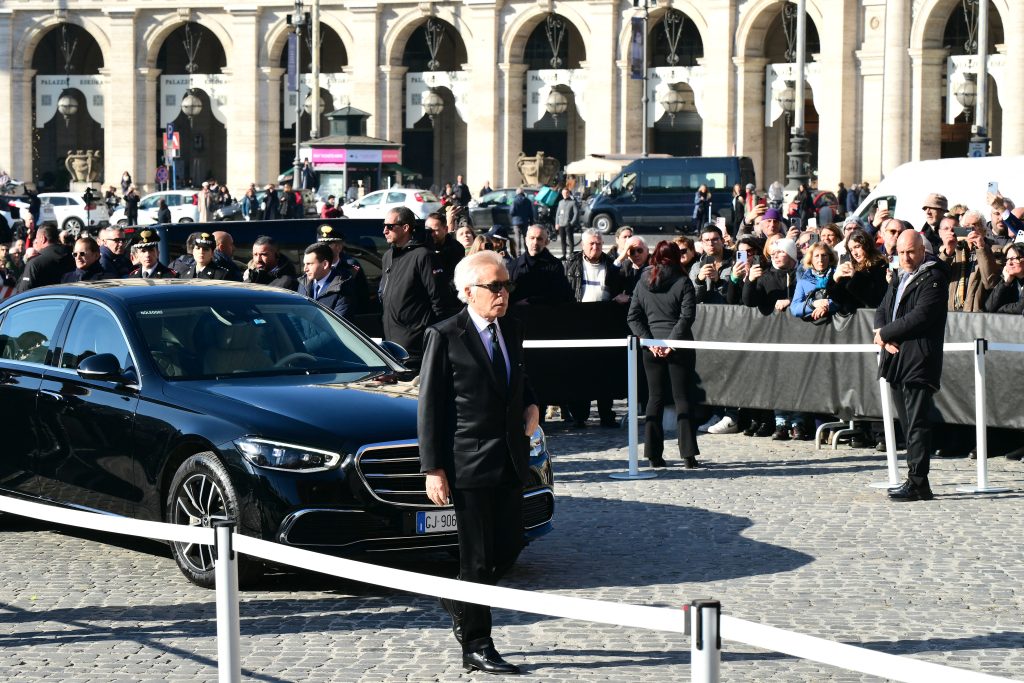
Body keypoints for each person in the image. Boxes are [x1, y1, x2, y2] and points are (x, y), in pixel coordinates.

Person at [418, 249, 538, 676]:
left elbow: (519, 378)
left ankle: (457, 599)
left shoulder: (513, 329)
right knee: (477, 560)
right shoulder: (446, 335)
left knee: (508, 549)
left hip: (509, 459)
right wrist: (433, 467)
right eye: (495, 286)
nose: (503, 293)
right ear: (468, 292)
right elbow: (430, 406)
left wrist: (532, 405)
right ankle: (477, 644)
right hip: (467, 464)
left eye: (506, 285)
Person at [876, 230, 949, 502]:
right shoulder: (899, 276)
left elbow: (922, 316)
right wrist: (881, 332)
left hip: (919, 357)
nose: (906, 257)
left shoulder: (934, 278)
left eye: (911, 252)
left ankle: (918, 482)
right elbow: (884, 307)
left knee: (917, 422)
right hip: (897, 356)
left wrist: (886, 333)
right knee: (907, 423)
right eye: (901, 252)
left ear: (922, 251)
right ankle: (916, 479)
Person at [627, 240, 702, 469]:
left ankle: (652, 454)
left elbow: (633, 317)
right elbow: (687, 316)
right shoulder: (683, 281)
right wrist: (671, 342)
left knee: (655, 398)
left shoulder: (642, 282)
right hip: (678, 347)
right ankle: (688, 455)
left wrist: (651, 342)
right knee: (682, 398)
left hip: (651, 347)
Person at [379, 206, 446, 370]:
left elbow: (440, 300)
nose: (384, 231)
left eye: (389, 226)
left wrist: (426, 334)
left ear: (406, 227)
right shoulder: (388, 256)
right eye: (384, 226)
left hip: (415, 349)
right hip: (390, 347)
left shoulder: (423, 255)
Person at [936, 211, 1001, 312]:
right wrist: (948, 252)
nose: (971, 229)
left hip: (978, 315)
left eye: (975, 225)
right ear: (961, 230)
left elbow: (990, 282)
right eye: (967, 226)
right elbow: (936, 277)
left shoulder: (995, 250)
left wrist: (981, 248)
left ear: (984, 230)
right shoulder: (955, 250)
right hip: (952, 314)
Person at [508, 224, 573, 305]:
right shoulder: (514, 265)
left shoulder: (555, 265)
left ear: (546, 242)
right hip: (519, 315)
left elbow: (560, 295)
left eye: (539, 239)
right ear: (526, 240)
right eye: (532, 238)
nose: (535, 242)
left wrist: (533, 301)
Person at [830, 228, 888, 313]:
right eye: (851, 250)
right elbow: (839, 299)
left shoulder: (881, 266)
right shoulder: (852, 267)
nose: (854, 253)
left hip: (871, 320)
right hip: (853, 322)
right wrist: (834, 279)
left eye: (857, 247)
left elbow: (876, 300)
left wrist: (856, 277)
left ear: (867, 245)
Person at [298, 243, 360, 319]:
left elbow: (338, 324)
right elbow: (296, 316)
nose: (305, 269)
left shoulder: (343, 287)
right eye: (304, 264)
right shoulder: (303, 284)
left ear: (325, 264)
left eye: (309, 264)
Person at [15, 224, 74, 292]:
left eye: (37, 239)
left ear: (43, 239)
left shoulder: (35, 262)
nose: (36, 243)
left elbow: (23, 292)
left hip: (43, 301)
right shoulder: (72, 256)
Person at [790, 242, 838, 323]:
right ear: (810, 259)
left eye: (824, 255)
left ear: (830, 258)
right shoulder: (803, 281)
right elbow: (794, 308)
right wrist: (813, 304)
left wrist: (826, 305)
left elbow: (844, 300)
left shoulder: (838, 276)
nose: (820, 259)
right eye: (816, 256)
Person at [984, 243, 1024, 313]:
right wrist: (1005, 283)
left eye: (1014, 259)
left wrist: (1000, 309)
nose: (1009, 263)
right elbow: (988, 308)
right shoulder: (1009, 280)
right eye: (1008, 259)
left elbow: (1020, 308)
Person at [509, 187, 534, 253]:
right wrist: (531, 223)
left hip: (516, 222)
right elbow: (531, 213)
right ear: (523, 193)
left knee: (517, 238)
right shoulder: (528, 201)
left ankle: (518, 253)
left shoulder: (515, 201)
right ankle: (527, 252)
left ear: (517, 193)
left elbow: (512, 212)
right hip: (525, 221)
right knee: (526, 237)